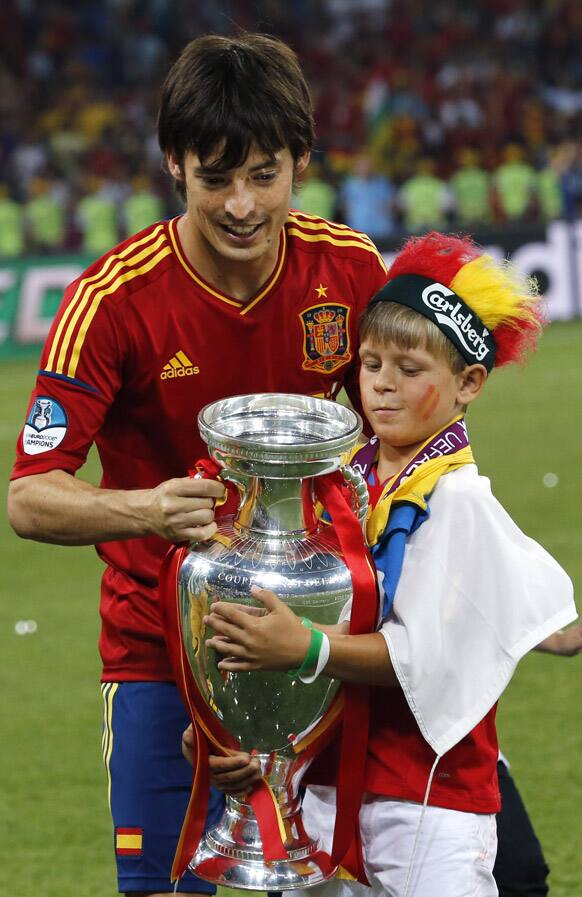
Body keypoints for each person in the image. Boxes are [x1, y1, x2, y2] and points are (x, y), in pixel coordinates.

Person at [7, 33, 388, 897]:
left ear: (301, 162)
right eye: (217, 177)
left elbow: (399, 445)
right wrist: (147, 509)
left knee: (342, 880)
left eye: (265, 173)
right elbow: (29, 496)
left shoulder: (351, 270)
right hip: (161, 657)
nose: (244, 204)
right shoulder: (111, 299)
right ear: (174, 165)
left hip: (318, 645)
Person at [199, 232, 577, 897]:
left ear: (468, 383)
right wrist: (235, 730)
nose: (382, 384)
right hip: (320, 789)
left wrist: (305, 645)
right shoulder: (345, 485)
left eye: (409, 367)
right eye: (371, 363)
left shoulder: (457, 500)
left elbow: (421, 655)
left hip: (429, 801)